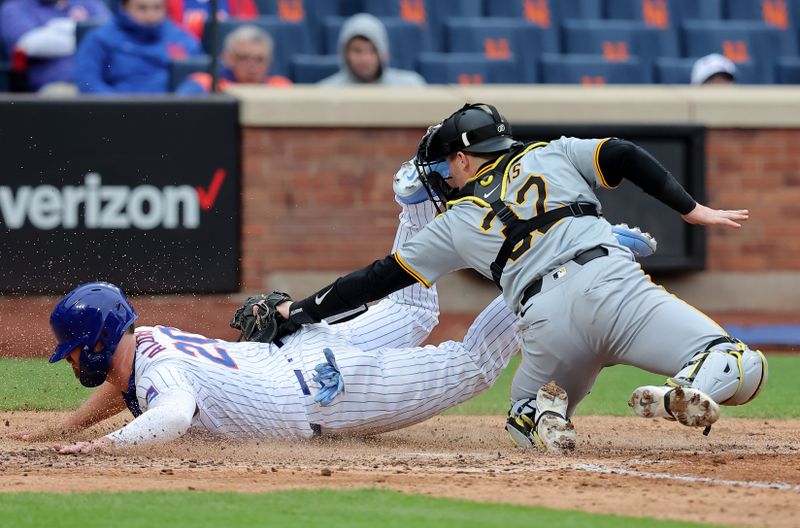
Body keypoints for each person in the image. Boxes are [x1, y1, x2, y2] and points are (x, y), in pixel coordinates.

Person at [12, 159, 651, 452]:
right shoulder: (147, 342)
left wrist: (97, 451)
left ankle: (561, 265)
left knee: (473, 366)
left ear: (97, 343)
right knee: (419, 309)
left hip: (326, 392)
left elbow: (170, 413)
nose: (76, 365)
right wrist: (63, 428)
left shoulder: (155, 376)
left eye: (76, 354)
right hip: (305, 355)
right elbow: (128, 387)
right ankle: (415, 200)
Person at [273, 103, 768, 452]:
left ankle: (543, 412)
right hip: (612, 285)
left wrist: (297, 311)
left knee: (525, 412)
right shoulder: (551, 153)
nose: (444, 177)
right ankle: (688, 384)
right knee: (740, 363)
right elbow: (622, 153)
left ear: (464, 158)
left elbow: (376, 279)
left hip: (546, 321)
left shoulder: (455, 220)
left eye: (446, 166)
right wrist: (691, 209)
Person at [74, 0, 202, 94]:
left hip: (171, 115)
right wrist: (118, 107)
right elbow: (88, 82)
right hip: (116, 116)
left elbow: (201, 75)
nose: (150, 15)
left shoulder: (181, 38)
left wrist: (182, 100)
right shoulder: (100, 38)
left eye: (157, 8)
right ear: (124, 7)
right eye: (142, 8)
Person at [0, 0, 111, 92]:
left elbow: (111, 36)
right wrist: (84, 30)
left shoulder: (89, 3)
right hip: (60, 85)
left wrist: (54, 30)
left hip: (105, 81)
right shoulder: (15, 7)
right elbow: (28, 44)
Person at [176, 25, 291, 94]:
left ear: (269, 62)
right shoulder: (206, 84)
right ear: (228, 58)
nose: (252, 65)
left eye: (259, 59)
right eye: (244, 57)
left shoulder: (280, 87)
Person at [318, 13, 426, 87]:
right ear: (345, 53)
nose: (364, 59)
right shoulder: (324, 94)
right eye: (357, 51)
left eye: (372, 50)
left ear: (384, 54)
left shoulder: (412, 86)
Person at [166, 0, 258, 40]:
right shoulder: (170, 2)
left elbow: (250, 32)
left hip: (229, 57)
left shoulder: (240, 2)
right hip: (190, 55)